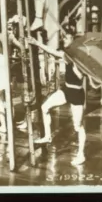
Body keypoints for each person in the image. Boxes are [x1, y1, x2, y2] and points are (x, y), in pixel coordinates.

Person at [28, 32, 86, 165]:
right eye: (64, 38)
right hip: (66, 90)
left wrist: (76, 66)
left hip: (77, 94)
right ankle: (47, 136)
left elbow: (81, 75)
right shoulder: (67, 55)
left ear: (74, 42)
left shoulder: (80, 58)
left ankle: (81, 155)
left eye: (67, 37)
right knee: (44, 107)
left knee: (78, 126)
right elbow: (52, 51)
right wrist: (36, 43)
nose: (63, 39)